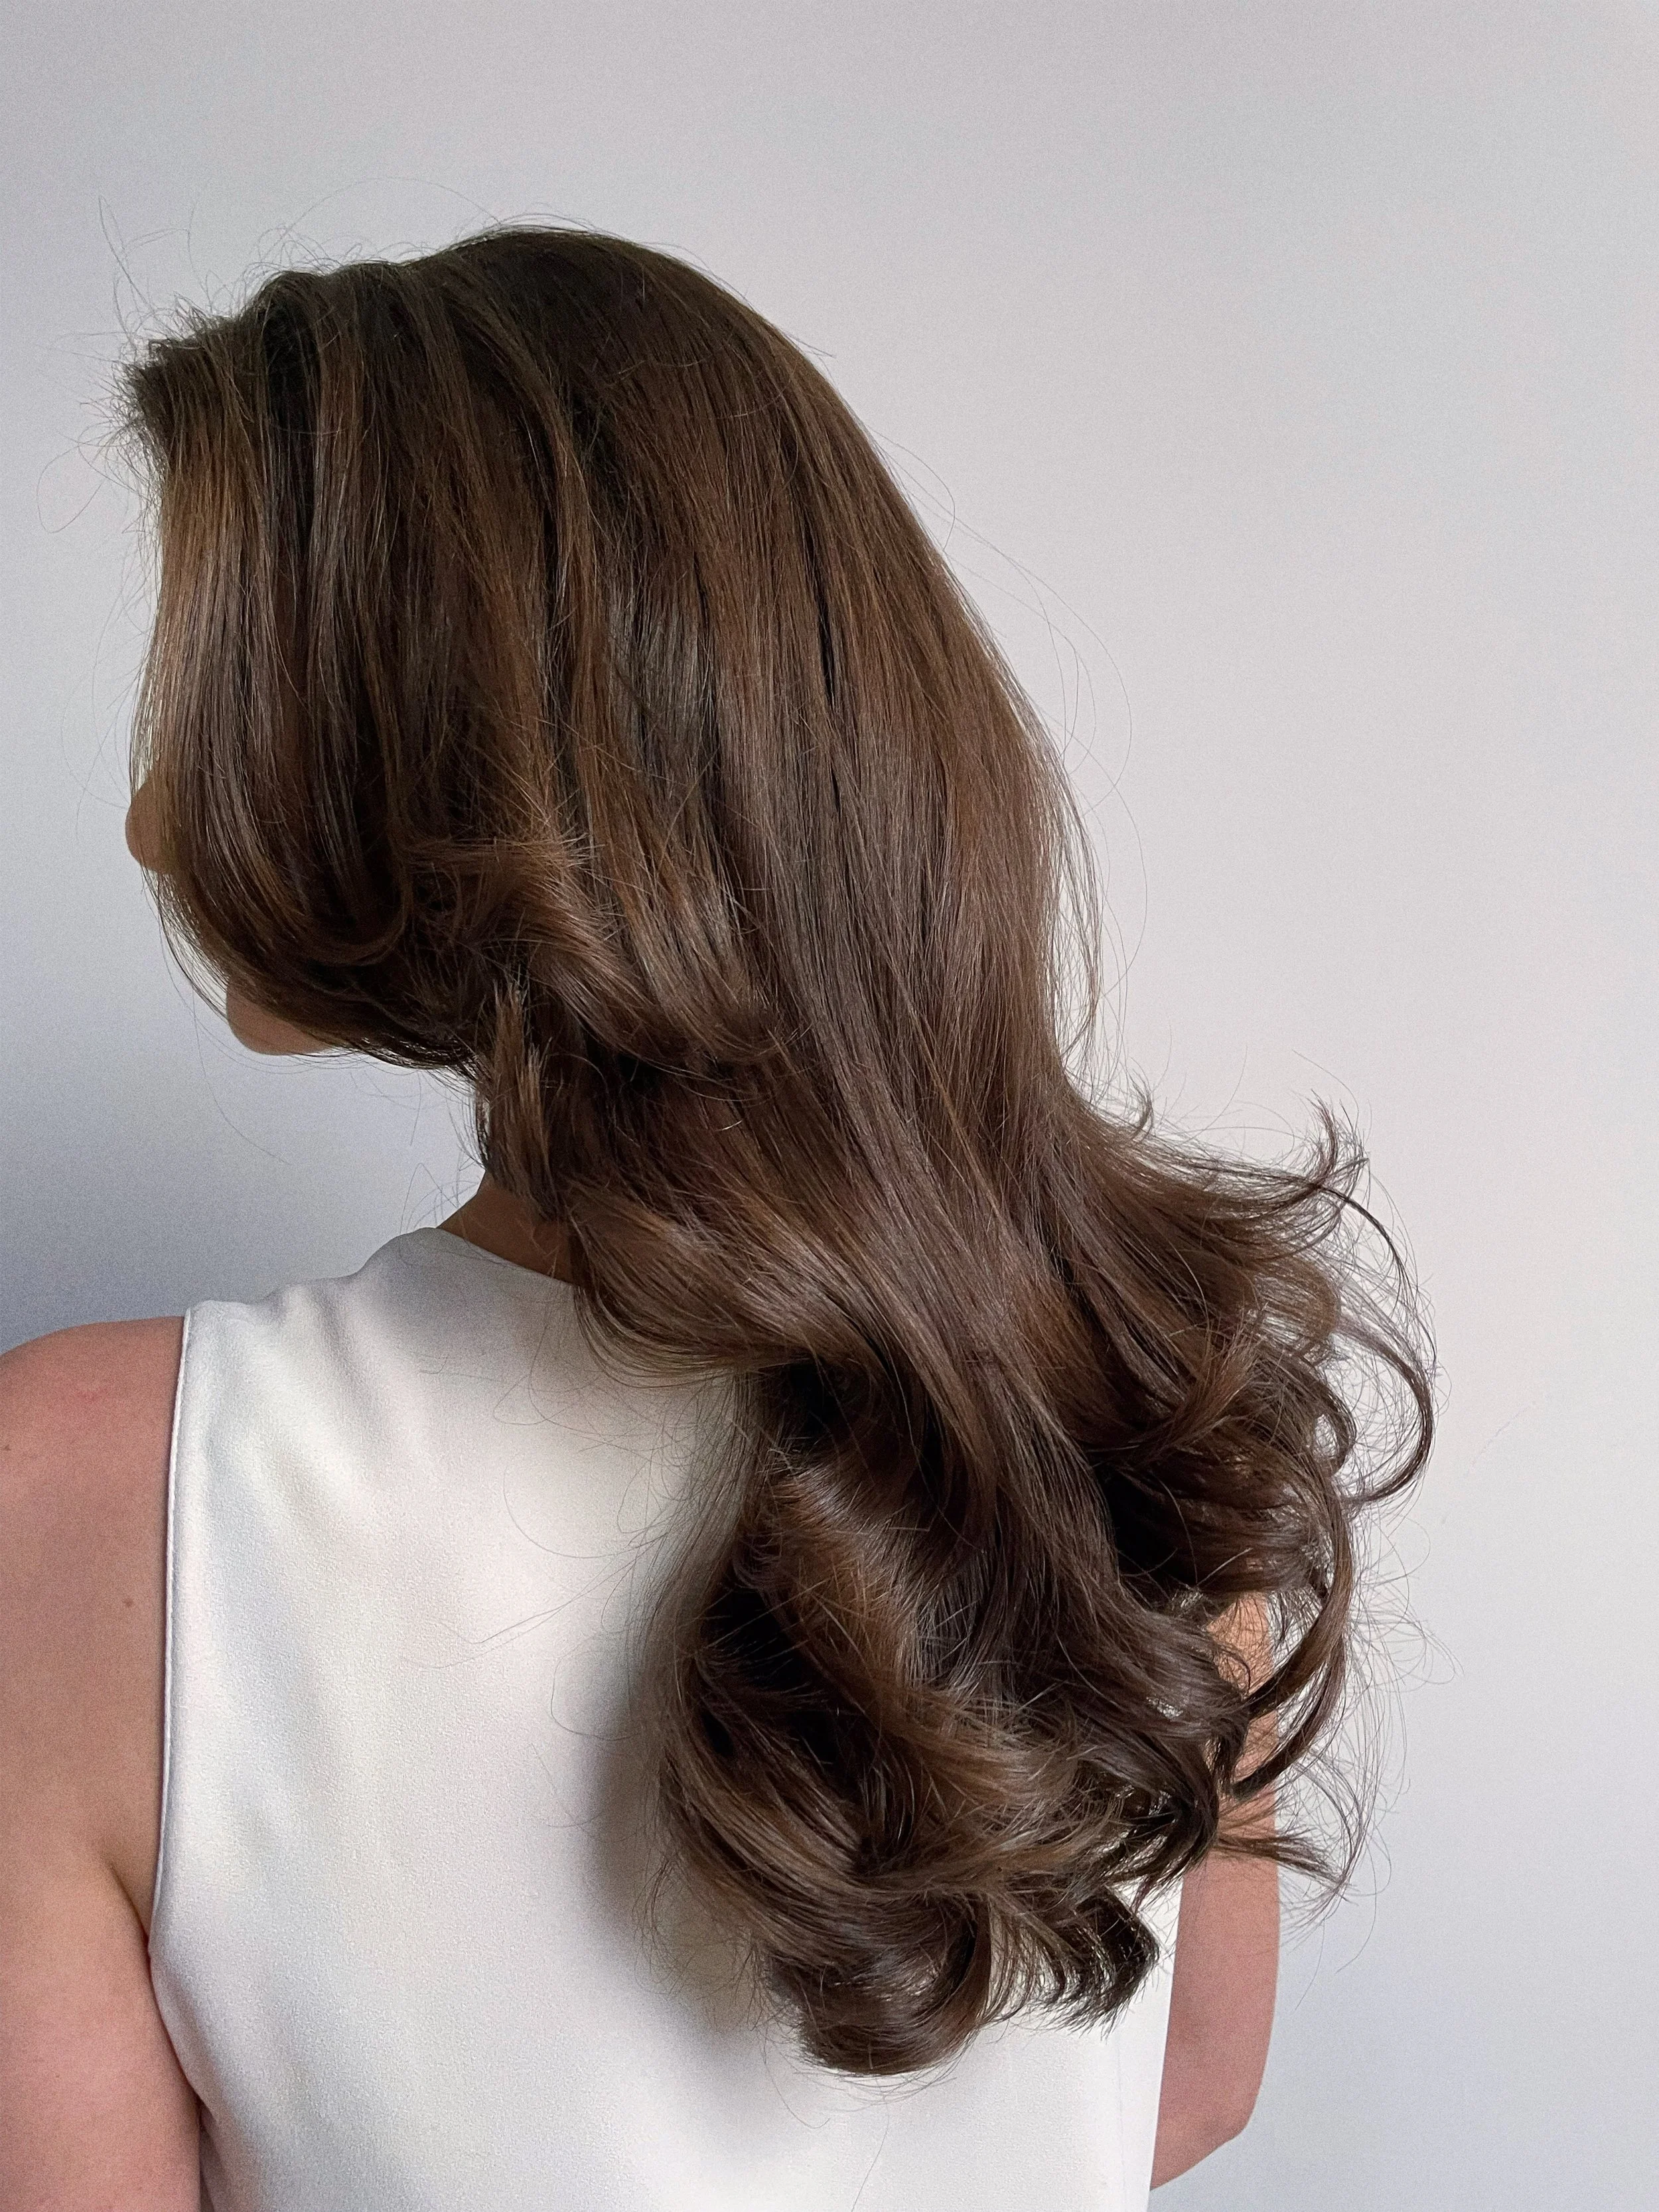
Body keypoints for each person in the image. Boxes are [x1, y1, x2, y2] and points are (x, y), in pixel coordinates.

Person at [0, 226, 1433, 2211]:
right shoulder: (1150, 1391)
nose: (153, 818)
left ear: (453, 740)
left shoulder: (94, 1498)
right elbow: (1185, 2086)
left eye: (212, 700)